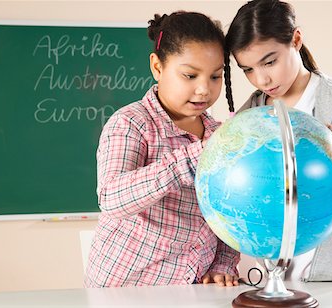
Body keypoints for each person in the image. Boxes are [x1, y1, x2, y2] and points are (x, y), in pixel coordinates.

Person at [224, 0, 332, 281]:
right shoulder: (249, 116)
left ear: (296, 40)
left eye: (269, 61)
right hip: (267, 282)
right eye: (247, 69)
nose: (261, 79)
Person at [84, 11, 240, 288]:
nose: (204, 89)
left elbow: (229, 211)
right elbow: (111, 197)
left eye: (216, 76)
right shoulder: (132, 122)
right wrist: (189, 161)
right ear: (157, 67)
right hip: (126, 287)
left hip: (190, 288)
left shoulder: (220, 136)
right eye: (190, 75)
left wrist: (223, 263)